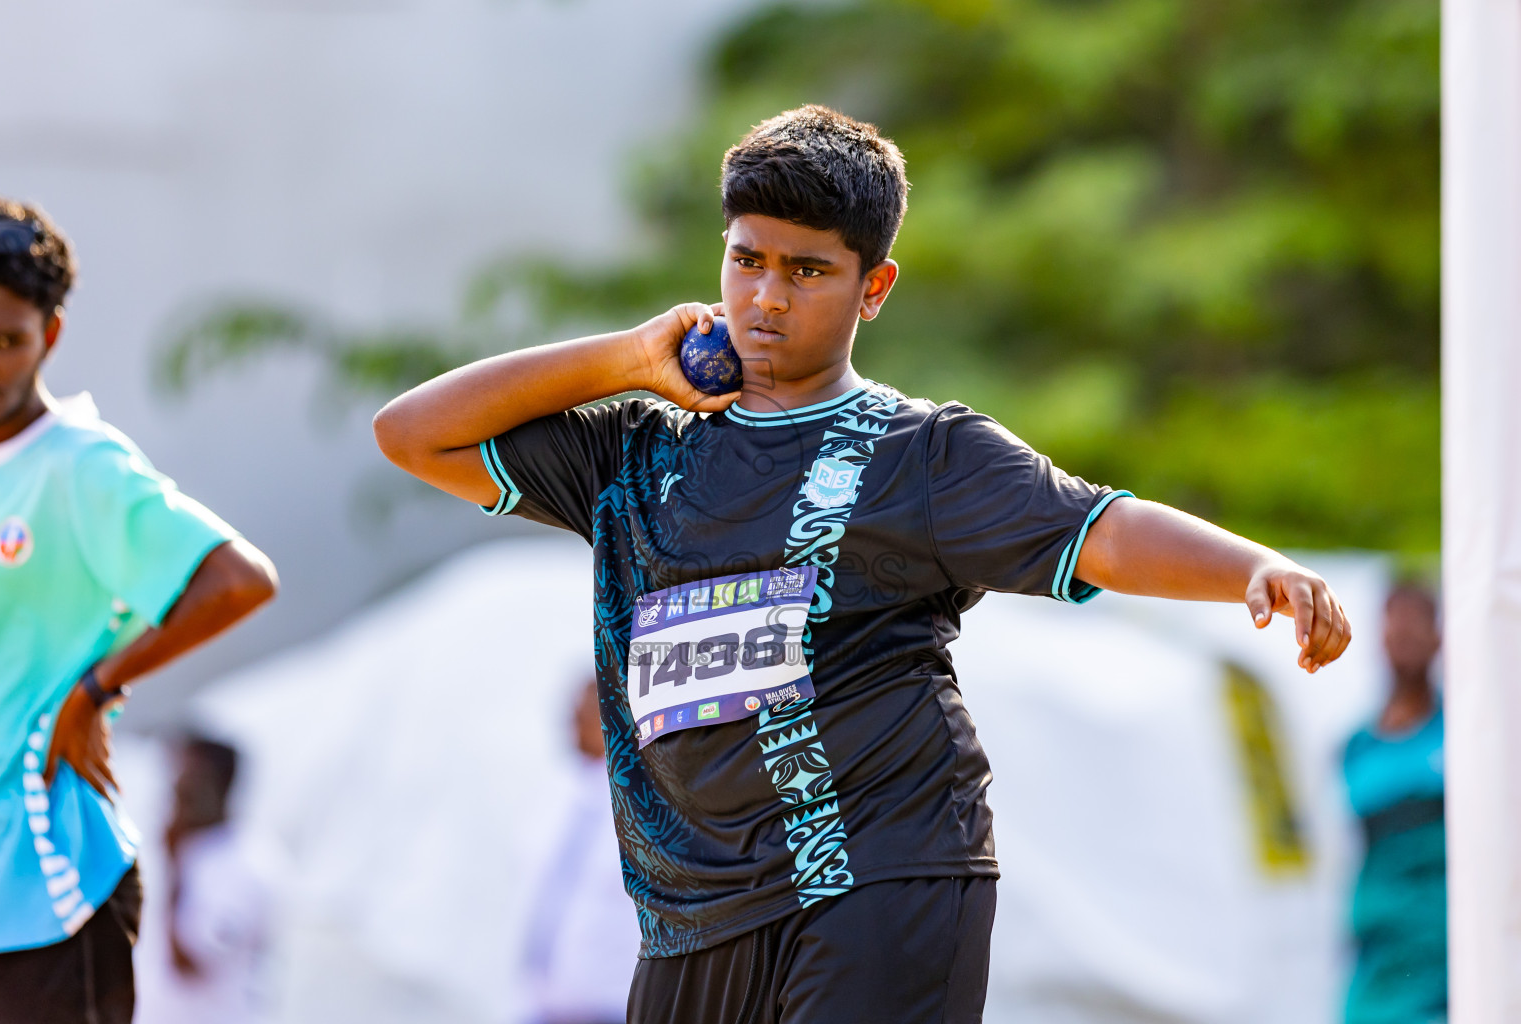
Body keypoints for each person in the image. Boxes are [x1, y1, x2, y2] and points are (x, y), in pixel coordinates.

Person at [372, 106, 1352, 1024]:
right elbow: (413, 435)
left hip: (879, 868)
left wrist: (1254, 567)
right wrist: (624, 357)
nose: (764, 297)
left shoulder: (923, 454)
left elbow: (1100, 527)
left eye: (806, 271)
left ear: (871, 288)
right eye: (746, 259)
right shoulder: (630, 453)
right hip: (689, 906)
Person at [0, 197, 278, 1024]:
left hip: (45, 893)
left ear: (51, 334)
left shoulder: (78, 466)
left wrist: (96, 689)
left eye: (7, 340)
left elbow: (238, 580)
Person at [1342, 584, 1445, 1024]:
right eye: (1394, 622)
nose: (1404, 635)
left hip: (1445, 953)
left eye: (1417, 623)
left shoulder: (1466, 735)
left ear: (1439, 636)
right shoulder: (1356, 748)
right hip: (1379, 956)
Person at [520, 679, 642, 1024]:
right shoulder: (558, 794)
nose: (572, 718)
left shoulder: (643, 805)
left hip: (612, 1006)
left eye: (586, 709)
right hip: (542, 1004)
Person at [135, 735, 276, 1024]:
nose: (175, 790)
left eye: (187, 787)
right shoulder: (170, 847)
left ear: (220, 787)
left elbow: (189, 964)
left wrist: (174, 868)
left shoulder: (249, 866)